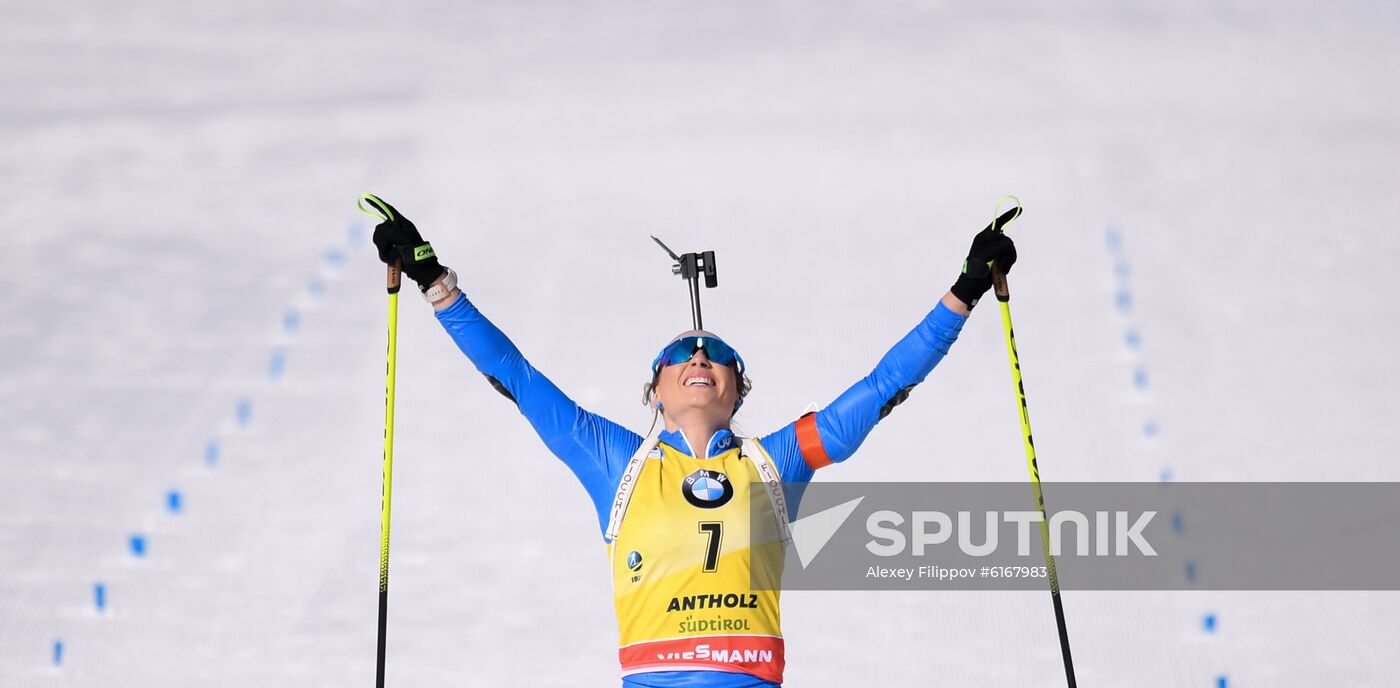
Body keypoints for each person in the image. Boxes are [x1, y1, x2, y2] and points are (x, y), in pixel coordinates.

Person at [371, 200, 1017, 687]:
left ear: (738, 390)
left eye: (719, 355)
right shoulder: (617, 464)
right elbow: (515, 377)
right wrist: (436, 284)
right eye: (680, 352)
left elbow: (884, 385)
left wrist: (964, 292)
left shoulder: (776, 462)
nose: (701, 354)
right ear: (654, 390)